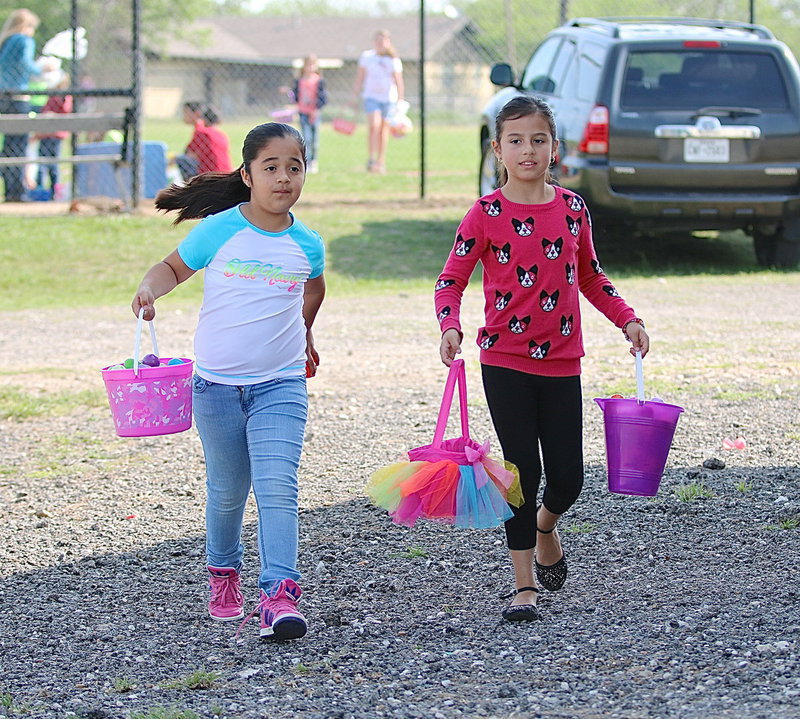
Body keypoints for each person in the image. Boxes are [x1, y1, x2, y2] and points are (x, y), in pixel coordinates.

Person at [434, 96, 650, 622]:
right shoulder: (484, 214)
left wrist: (627, 318)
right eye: (515, 140)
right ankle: (523, 583)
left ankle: (546, 527)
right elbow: (450, 280)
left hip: (562, 362)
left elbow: (593, 277)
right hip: (503, 361)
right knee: (521, 471)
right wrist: (451, 326)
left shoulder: (573, 209)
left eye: (537, 140)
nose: (527, 149)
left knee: (569, 478)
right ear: (497, 150)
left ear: (555, 149)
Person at [132, 122, 326, 641]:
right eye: (271, 167)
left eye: (294, 167)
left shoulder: (308, 244)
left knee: (278, 486)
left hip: (280, 385)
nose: (283, 178)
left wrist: (304, 335)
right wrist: (149, 290)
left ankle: (279, 594)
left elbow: (313, 291)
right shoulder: (220, 229)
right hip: (215, 388)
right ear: (247, 175)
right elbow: (171, 268)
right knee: (226, 493)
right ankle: (223, 574)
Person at [0, 8, 48, 201]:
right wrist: (43, 68)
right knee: (18, 145)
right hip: (18, 98)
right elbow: (25, 63)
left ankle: (12, 189)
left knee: (9, 146)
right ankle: (16, 192)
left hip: (3, 97)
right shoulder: (23, 40)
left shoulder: (5, 42)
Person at [353, 29, 404, 174]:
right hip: (371, 97)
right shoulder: (367, 57)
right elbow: (360, 77)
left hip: (388, 99)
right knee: (374, 126)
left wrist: (400, 100)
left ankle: (380, 161)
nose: (380, 44)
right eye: (378, 41)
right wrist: (355, 94)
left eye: (383, 41)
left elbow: (398, 81)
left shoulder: (393, 60)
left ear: (388, 43)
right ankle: (371, 158)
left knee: (383, 129)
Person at [33, 70, 72, 200]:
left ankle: (54, 192)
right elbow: (44, 112)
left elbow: (66, 109)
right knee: (42, 164)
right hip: (45, 135)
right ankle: (40, 190)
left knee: (54, 164)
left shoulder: (64, 96)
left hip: (56, 136)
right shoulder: (50, 95)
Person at [175, 101, 233, 181]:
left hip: (210, 174)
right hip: (226, 172)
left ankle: (190, 188)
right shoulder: (217, 132)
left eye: (186, 112)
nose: (183, 116)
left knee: (181, 159)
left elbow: (189, 153)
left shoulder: (201, 131)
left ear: (197, 114)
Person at [293, 54, 327, 174]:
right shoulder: (300, 81)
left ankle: (314, 161)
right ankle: (306, 161)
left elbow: (323, 98)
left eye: (313, 64)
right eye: (308, 64)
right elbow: (296, 96)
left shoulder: (319, 81)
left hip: (315, 113)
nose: (310, 67)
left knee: (315, 139)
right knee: (305, 138)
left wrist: (316, 109)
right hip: (303, 112)